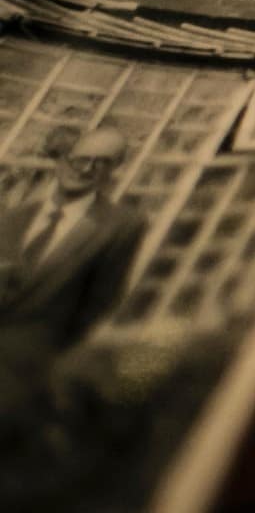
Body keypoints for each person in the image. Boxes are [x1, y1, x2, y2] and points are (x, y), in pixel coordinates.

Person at [0, 126, 144, 416]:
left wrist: (47, 353)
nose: (86, 169)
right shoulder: (14, 218)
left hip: (27, 367)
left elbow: (101, 301)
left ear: (113, 170)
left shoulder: (119, 226)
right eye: (79, 158)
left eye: (101, 162)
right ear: (62, 160)